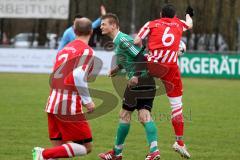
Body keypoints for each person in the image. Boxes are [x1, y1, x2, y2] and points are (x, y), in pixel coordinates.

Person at [134, 4, 194, 159]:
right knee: (177, 106)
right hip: (170, 69)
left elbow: (136, 41)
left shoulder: (151, 24)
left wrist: (144, 49)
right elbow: (189, 24)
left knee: (138, 67)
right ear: (174, 16)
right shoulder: (179, 23)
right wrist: (189, 14)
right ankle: (179, 142)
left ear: (161, 14)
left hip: (152, 65)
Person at [98, 13, 160, 160]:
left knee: (124, 115)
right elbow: (131, 56)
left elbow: (140, 56)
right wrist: (118, 68)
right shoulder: (120, 40)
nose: (101, 27)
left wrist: (136, 75)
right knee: (144, 115)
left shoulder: (122, 39)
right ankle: (154, 151)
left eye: (103, 24)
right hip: (148, 80)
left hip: (138, 81)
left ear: (113, 25)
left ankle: (117, 153)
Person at [32, 17, 96, 160]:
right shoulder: (87, 51)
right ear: (91, 31)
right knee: (86, 147)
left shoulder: (63, 50)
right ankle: (43, 154)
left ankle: (46, 155)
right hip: (68, 105)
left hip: (52, 102)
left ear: (74, 31)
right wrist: (88, 101)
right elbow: (78, 75)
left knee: (58, 149)